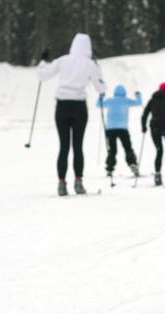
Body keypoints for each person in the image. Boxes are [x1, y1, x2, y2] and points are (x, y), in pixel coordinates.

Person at [37, 33, 106, 196]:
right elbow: (101, 88)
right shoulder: (90, 64)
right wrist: (98, 68)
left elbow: (42, 75)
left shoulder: (63, 60)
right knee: (78, 146)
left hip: (62, 106)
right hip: (79, 107)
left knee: (64, 147)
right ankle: (78, 182)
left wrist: (43, 60)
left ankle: (61, 183)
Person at [98, 84, 142, 177]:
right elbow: (138, 103)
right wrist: (138, 95)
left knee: (112, 150)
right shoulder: (126, 100)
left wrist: (101, 97)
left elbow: (99, 105)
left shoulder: (110, 101)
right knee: (127, 148)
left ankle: (109, 168)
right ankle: (132, 163)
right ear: (124, 93)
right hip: (123, 129)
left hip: (110, 129)